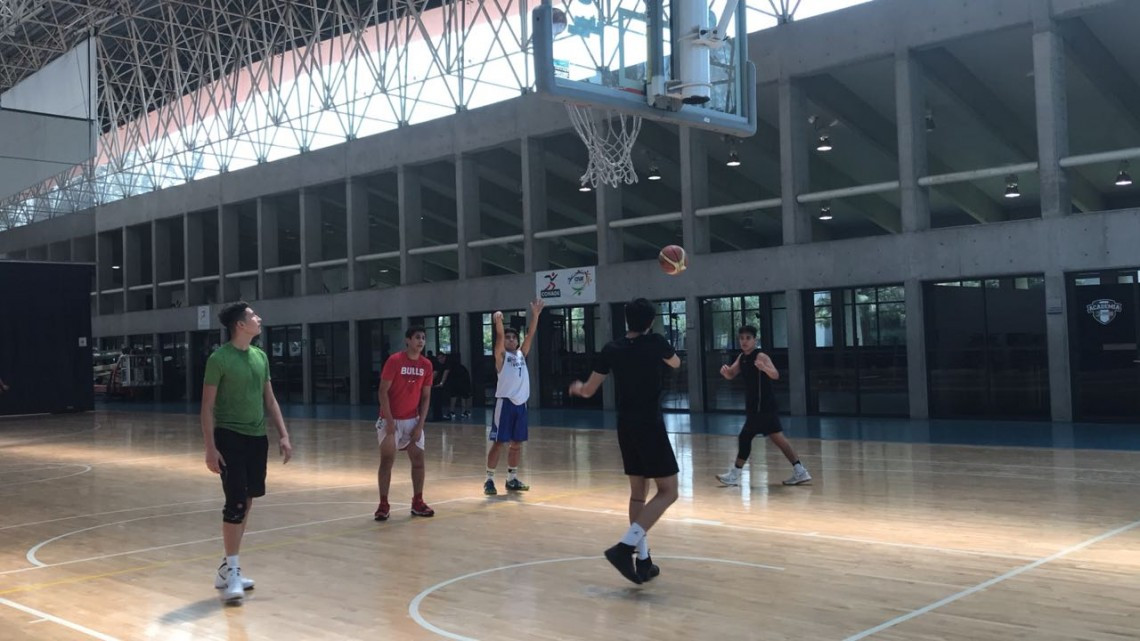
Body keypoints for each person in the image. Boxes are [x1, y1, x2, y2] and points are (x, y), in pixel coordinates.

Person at [569, 298, 680, 585]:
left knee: (637, 495)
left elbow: (589, 389)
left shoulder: (612, 348)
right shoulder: (656, 342)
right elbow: (676, 362)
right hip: (649, 425)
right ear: (651, 321)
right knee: (669, 491)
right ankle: (624, 547)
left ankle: (643, 561)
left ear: (626, 320)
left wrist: (578, 388)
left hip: (625, 426)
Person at [201, 302, 293, 603]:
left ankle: (228, 568)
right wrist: (210, 448)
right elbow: (207, 407)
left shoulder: (260, 356)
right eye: (253, 316)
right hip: (229, 437)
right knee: (236, 503)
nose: (259, 318)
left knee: (249, 498)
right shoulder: (219, 359)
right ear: (240, 325)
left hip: (257, 438)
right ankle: (234, 572)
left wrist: (283, 434)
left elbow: (270, 399)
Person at [716, 325, 811, 487]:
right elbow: (731, 374)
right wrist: (725, 372)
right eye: (741, 338)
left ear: (755, 340)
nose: (744, 341)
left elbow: (775, 374)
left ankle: (735, 474)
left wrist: (764, 367)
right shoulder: (742, 358)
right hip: (755, 405)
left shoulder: (761, 356)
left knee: (745, 437)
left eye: (748, 338)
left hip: (763, 406)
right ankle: (800, 471)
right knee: (780, 440)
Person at [374, 326, 435, 521]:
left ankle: (418, 501)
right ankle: (383, 504)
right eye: (417, 337)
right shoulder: (394, 361)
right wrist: (389, 420)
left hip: (412, 420)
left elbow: (426, 397)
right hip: (390, 419)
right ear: (408, 340)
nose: (421, 341)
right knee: (387, 462)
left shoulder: (426, 365)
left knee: (418, 461)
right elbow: (382, 391)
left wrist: (420, 425)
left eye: (424, 338)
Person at [484, 300, 543, 496]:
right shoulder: (501, 356)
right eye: (508, 337)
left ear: (517, 342)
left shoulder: (521, 354)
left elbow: (531, 334)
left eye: (513, 337)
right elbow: (499, 336)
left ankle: (512, 479)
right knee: (499, 443)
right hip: (505, 403)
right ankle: (489, 480)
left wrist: (535, 315)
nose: (510, 339)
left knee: (516, 444)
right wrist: (498, 321)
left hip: (521, 405)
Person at [443, 353, 472, 419]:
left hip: (456, 381)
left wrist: (442, 382)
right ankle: (466, 411)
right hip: (464, 380)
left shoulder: (449, 365)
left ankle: (452, 412)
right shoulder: (461, 366)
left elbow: (446, 373)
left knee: (454, 396)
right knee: (465, 396)